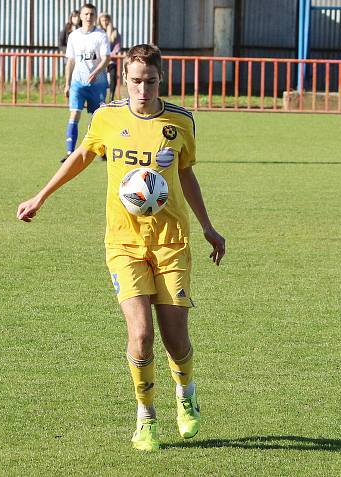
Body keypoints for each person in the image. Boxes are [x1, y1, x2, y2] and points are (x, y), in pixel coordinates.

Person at [17, 43, 226, 452]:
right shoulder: (108, 117)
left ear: (160, 79)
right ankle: (146, 417)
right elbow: (81, 156)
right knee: (141, 335)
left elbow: (186, 175)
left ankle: (186, 395)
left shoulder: (181, 121)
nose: (142, 89)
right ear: (123, 79)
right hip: (124, 242)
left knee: (175, 339)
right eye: (135, 81)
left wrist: (208, 227)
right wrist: (41, 196)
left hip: (171, 242)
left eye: (150, 81)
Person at [62, 3, 110, 163]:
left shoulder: (101, 35)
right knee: (74, 113)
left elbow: (106, 58)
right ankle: (70, 152)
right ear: (80, 16)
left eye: (91, 14)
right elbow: (70, 61)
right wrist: (67, 83)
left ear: (95, 17)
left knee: (98, 117)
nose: (89, 17)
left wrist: (96, 72)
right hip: (78, 82)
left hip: (98, 83)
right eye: (86, 14)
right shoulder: (74, 36)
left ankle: (101, 150)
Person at [98, 12, 122, 101]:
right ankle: (101, 97)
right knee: (100, 78)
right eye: (103, 20)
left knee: (113, 75)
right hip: (100, 60)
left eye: (106, 20)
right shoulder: (97, 32)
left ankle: (111, 97)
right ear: (100, 21)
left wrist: (110, 55)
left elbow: (117, 46)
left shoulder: (115, 32)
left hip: (111, 59)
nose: (105, 22)